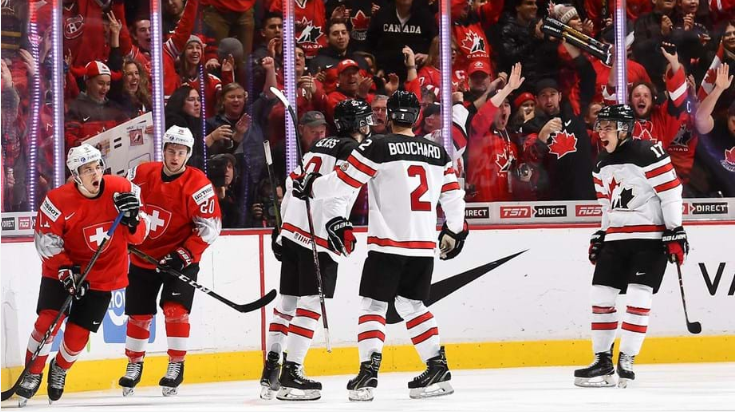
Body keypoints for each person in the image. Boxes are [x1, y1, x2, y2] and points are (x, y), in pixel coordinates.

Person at [292, 91, 468, 401]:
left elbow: (342, 182)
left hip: (388, 245)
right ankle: (437, 367)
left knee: (373, 307)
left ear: (388, 117)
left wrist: (312, 186)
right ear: (415, 117)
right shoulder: (439, 152)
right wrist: (453, 230)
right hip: (423, 246)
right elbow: (454, 197)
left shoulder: (377, 146)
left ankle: (368, 373)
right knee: (413, 305)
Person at [260, 99, 373, 401]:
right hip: (318, 234)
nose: (368, 125)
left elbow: (293, 181)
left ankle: (271, 366)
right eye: (365, 120)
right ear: (358, 124)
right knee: (310, 304)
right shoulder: (351, 149)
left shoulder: (321, 144)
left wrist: (281, 226)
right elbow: (340, 189)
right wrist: (339, 223)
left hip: (295, 229)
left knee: (287, 303)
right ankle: (291, 373)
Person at [18, 144, 148, 406]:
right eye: (87, 169)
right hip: (63, 272)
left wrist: (134, 220)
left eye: (98, 166)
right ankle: (31, 372)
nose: (95, 173)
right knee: (47, 323)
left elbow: (141, 236)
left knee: (77, 335)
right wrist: (65, 270)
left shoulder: (122, 189)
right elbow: (46, 241)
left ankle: (60, 368)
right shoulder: (57, 200)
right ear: (75, 174)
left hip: (103, 275)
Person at [575, 104, 688, 388]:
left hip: (649, 240)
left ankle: (626, 358)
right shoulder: (601, 162)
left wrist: (675, 230)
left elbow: (671, 192)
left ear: (624, 129)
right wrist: (601, 234)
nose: (601, 132)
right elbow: (606, 203)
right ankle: (602, 360)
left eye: (608, 126)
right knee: (600, 298)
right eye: (600, 126)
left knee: (638, 298)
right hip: (616, 238)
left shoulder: (649, 152)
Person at [118, 125, 222, 397]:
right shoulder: (141, 174)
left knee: (175, 309)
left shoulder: (199, 185)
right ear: (162, 150)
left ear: (188, 154)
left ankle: (176, 364)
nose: (175, 157)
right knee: (139, 314)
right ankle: (134, 364)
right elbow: (120, 201)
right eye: (171, 150)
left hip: (179, 258)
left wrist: (183, 255)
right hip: (143, 256)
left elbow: (210, 228)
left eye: (181, 152)